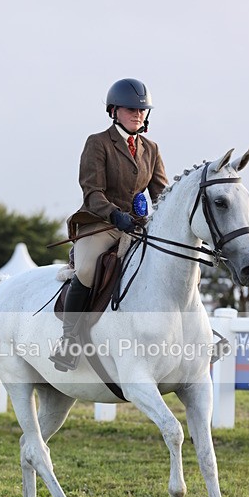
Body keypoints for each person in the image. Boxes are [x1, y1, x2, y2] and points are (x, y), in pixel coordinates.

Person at [49, 77, 169, 371]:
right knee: (88, 269)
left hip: (137, 226)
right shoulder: (98, 143)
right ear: (114, 111)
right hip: (102, 223)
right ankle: (69, 340)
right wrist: (115, 214)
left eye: (141, 110)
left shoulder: (151, 149)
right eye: (130, 110)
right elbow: (92, 192)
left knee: (172, 263)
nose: (137, 115)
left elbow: (161, 194)